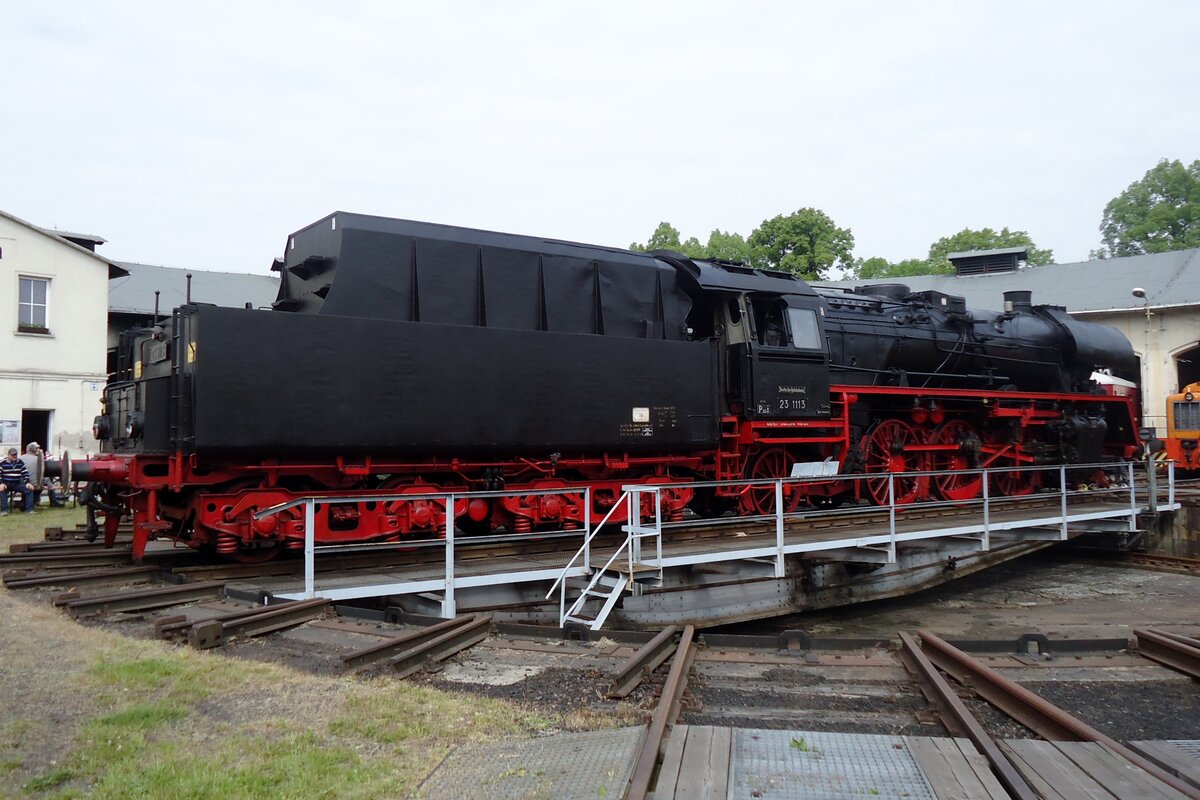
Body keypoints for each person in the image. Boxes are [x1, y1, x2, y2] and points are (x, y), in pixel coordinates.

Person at [1, 447, 35, 514]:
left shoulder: (20, 462)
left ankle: (29, 510)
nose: (14, 456)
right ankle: (4, 510)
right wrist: (1, 483)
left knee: (29, 490)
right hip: (6, 483)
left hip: (16, 483)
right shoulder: (2, 463)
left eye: (15, 455)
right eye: (12, 455)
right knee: (2, 491)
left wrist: (27, 482)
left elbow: (25, 473)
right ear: (8, 455)